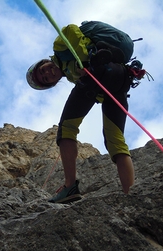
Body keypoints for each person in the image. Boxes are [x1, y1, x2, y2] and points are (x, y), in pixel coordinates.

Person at [26, 22, 136, 203]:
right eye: (45, 79)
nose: (47, 73)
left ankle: (70, 186)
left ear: (44, 62)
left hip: (97, 73)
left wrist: (85, 61)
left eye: (42, 70)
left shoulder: (59, 48)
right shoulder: (71, 74)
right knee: (114, 140)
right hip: (119, 79)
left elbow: (70, 29)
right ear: (53, 84)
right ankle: (131, 193)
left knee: (67, 128)